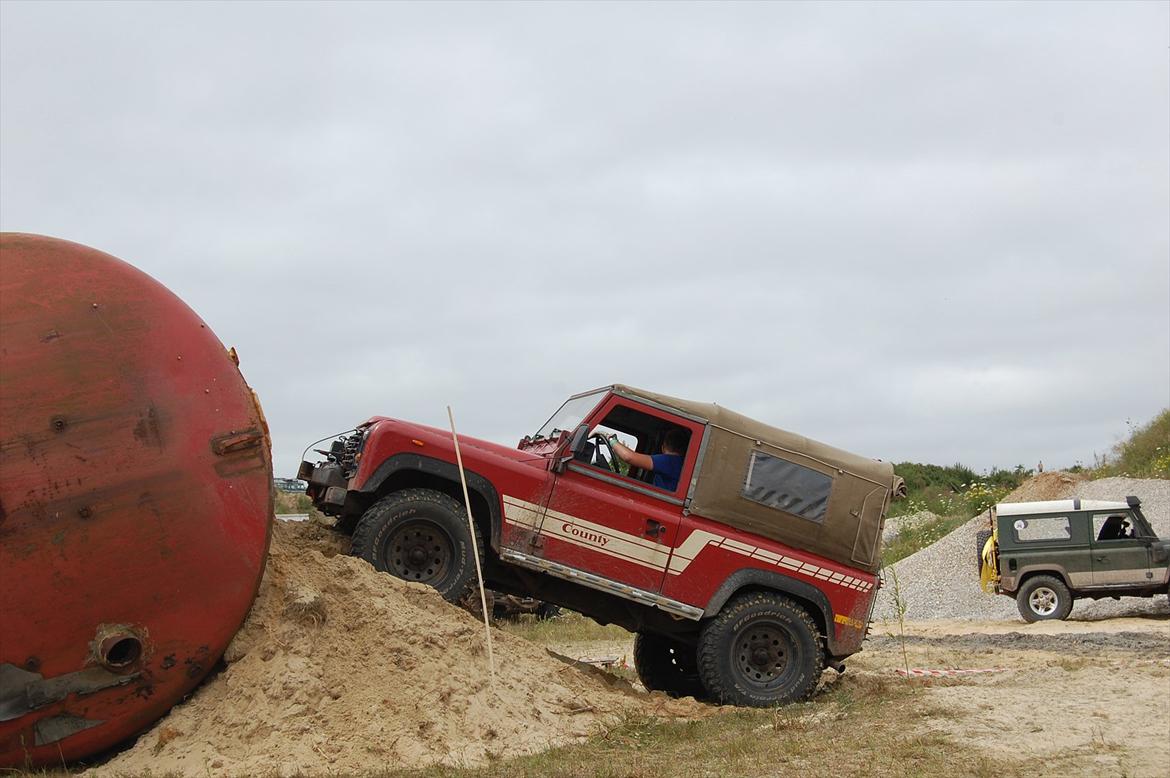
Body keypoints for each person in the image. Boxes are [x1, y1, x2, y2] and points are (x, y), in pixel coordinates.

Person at [595, 427, 687, 492]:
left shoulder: (669, 461)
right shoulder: (679, 463)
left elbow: (629, 457)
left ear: (663, 447)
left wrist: (611, 439)